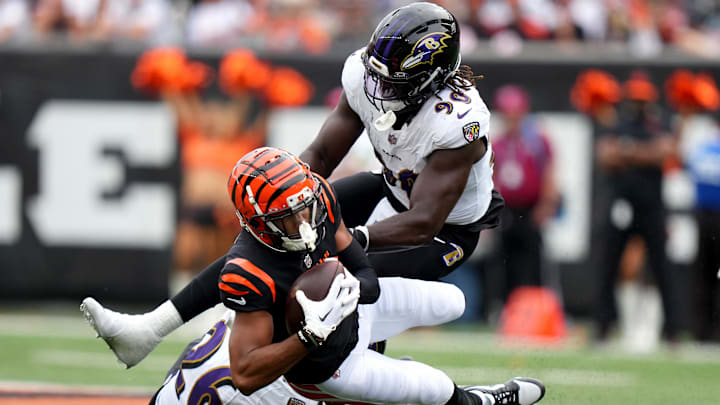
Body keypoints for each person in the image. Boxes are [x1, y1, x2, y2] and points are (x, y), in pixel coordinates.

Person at [82, 1, 502, 369]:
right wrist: (284, 200)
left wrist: (345, 238)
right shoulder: (364, 75)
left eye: (393, 81)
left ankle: (361, 375)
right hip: (390, 188)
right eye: (377, 74)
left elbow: (424, 222)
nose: (379, 87)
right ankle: (150, 329)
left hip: (444, 234)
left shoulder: (457, 124)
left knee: (326, 275)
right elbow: (319, 155)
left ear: (431, 79)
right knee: (267, 231)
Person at [117, 147, 545, 404]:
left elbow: (363, 256)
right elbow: (246, 375)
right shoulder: (249, 273)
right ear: (259, 223)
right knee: (422, 388)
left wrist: (356, 286)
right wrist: (308, 337)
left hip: (335, 328)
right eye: (288, 216)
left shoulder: (315, 201)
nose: (304, 221)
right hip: (298, 379)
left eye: (305, 206)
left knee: (453, 302)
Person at [592, 71, 680, 343]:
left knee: (662, 267)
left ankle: (673, 330)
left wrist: (628, 152)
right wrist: (644, 152)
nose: (638, 105)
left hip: (652, 207)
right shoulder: (617, 124)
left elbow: (666, 152)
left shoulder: (661, 123)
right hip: (622, 206)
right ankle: (604, 326)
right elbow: (605, 156)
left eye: (643, 100)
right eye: (635, 99)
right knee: (608, 265)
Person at [490, 84, 558, 303]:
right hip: (506, 210)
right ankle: (507, 307)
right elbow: (491, 178)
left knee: (533, 261)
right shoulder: (497, 144)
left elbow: (548, 174)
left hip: (531, 209)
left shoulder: (536, 142)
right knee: (504, 261)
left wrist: (546, 205)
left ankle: (535, 307)